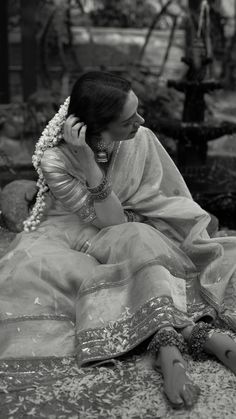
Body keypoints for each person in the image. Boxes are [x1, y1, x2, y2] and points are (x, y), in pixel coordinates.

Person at [0, 71, 236, 410]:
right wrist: (88, 163)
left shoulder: (137, 138)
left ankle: (175, 344)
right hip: (75, 233)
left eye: (137, 111)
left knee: (141, 236)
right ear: (95, 130)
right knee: (127, 244)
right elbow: (110, 222)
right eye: (128, 121)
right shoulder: (57, 159)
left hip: (126, 221)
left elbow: (146, 201)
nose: (140, 121)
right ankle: (185, 341)